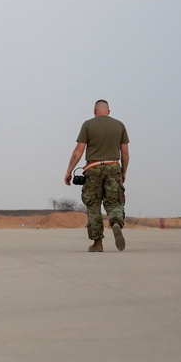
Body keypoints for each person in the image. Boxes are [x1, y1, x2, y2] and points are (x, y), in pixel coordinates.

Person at [64, 100, 130, 252]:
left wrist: (69, 170)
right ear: (109, 111)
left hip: (93, 168)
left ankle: (97, 243)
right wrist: (123, 171)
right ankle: (115, 222)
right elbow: (125, 153)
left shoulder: (88, 125)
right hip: (113, 166)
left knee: (93, 206)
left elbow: (79, 151)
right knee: (114, 202)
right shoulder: (119, 125)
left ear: (94, 111)